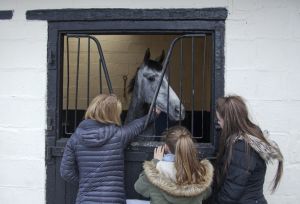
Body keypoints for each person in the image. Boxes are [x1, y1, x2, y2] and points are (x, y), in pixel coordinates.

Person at [60, 94, 160, 204]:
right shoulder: (118, 135)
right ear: (112, 114)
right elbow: (136, 126)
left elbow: (65, 172)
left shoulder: (75, 138)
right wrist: (153, 114)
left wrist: (84, 182)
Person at [214, 95, 283, 204]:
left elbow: (231, 191)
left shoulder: (242, 146)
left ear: (228, 120)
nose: (218, 123)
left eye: (219, 119)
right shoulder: (250, 136)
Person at [134, 126, 213, 204]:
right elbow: (207, 193)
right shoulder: (200, 171)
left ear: (166, 147)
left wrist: (155, 162)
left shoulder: (157, 171)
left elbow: (139, 187)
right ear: (189, 146)